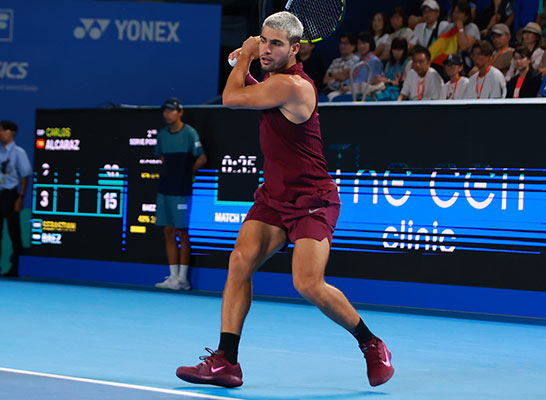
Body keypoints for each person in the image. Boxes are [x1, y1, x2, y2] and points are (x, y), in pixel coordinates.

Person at [176, 11, 395, 389]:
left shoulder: (293, 85)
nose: (266, 48)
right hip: (275, 197)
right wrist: (247, 65)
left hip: (313, 198)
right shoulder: (275, 81)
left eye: (275, 44)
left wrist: (245, 55)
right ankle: (226, 360)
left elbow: (231, 98)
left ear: (295, 49)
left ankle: (372, 344)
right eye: (263, 40)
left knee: (307, 283)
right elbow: (252, 91)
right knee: (240, 261)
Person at [154, 97, 207, 290]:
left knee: (182, 233)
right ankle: (173, 276)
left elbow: (202, 158)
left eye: (171, 111)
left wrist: (187, 172)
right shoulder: (162, 135)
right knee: (167, 231)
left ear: (180, 112)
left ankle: (183, 279)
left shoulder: (190, 133)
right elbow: (161, 156)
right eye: (165, 111)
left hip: (182, 189)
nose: (167, 114)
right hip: (164, 188)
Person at [0, 121, 32, 278]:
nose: (0, 134)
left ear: (11, 132)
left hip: (11, 195)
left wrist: (21, 197)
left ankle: (16, 267)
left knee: (14, 232)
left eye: (2, 130)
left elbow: (25, 176)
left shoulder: (19, 152)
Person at [330, 32, 384, 101]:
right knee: (330, 96)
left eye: (364, 43)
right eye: (359, 44)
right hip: (350, 89)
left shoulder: (374, 61)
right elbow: (352, 77)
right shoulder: (357, 59)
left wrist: (350, 88)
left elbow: (372, 82)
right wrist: (345, 86)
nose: (361, 46)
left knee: (336, 99)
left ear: (370, 44)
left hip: (363, 93)